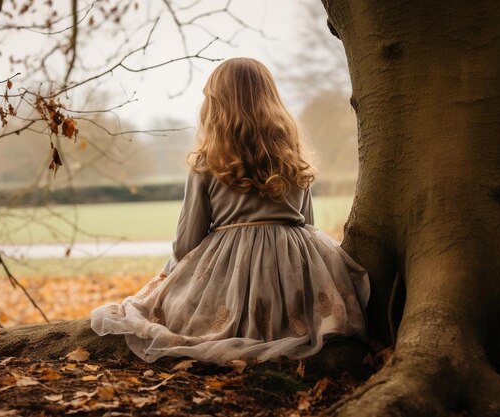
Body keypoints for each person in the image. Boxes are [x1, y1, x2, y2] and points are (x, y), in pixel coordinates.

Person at [91, 57, 369, 365]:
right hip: (295, 262)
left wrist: (171, 275)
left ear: (216, 104)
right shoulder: (293, 159)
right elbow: (307, 223)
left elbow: (187, 242)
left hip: (228, 267)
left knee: (165, 301)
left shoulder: (207, 161)